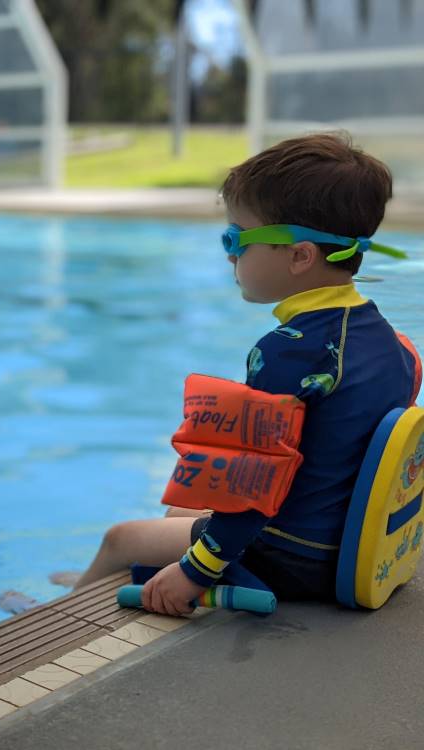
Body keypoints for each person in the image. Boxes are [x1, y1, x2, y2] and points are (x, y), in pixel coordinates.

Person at [69, 132, 421, 617]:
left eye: (236, 238)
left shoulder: (289, 354)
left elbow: (251, 484)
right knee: (177, 514)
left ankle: (65, 607)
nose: (231, 256)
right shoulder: (390, 341)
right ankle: (104, 575)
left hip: (293, 556)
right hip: (348, 544)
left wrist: (195, 571)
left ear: (300, 256)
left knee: (120, 538)